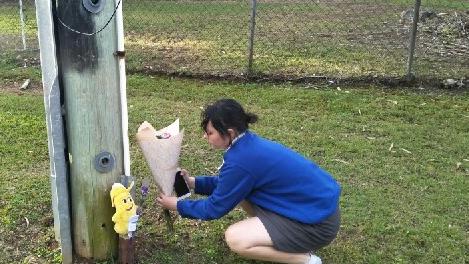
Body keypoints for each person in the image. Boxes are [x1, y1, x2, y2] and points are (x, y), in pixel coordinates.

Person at [157, 98, 341, 264]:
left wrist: (177, 205)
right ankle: (282, 237)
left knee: (236, 238)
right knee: (242, 196)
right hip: (314, 212)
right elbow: (230, 185)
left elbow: (213, 209)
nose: (205, 137)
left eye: (210, 132)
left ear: (229, 132)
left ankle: (305, 260)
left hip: (316, 225)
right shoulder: (247, 145)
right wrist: (193, 182)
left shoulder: (241, 161)